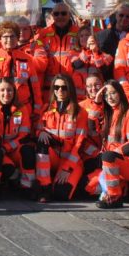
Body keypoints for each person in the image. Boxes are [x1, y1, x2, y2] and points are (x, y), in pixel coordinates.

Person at [87, 79, 129, 209]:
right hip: (112, 164)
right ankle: (121, 187)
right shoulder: (110, 113)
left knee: (108, 156)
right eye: (106, 95)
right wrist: (97, 102)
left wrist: (112, 154)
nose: (109, 97)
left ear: (120, 93)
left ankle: (114, 197)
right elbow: (91, 128)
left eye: (113, 93)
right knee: (88, 187)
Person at [35, 74, 91, 202]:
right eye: (56, 87)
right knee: (41, 141)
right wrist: (40, 132)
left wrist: (68, 168)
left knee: (61, 194)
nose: (60, 91)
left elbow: (80, 143)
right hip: (53, 157)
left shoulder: (80, 112)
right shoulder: (46, 109)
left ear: (70, 89)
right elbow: (38, 129)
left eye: (64, 87)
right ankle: (44, 187)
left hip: (71, 160)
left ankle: (67, 182)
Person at [0, 22, 46, 118]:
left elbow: (34, 86)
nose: (9, 40)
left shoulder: (27, 58)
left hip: (21, 106)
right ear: (0, 39)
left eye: (12, 36)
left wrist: (37, 109)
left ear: (17, 38)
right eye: (5, 37)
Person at [0, 76, 36, 195]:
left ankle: (27, 187)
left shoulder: (22, 109)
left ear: (14, 92)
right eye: (2, 90)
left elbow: (24, 136)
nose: (6, 93)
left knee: (28, 151)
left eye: (9, 90)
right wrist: (0, 148)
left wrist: (7, 147)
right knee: (6, 168)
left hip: (13, 149)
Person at [36, 3, 82, 84]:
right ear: (52, 15)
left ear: (69, 15)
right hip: (50, 86)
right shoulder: (43, 34)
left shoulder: (79, 33)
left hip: (72, 84)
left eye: (63, 13)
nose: (60, 16)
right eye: (56, 14)